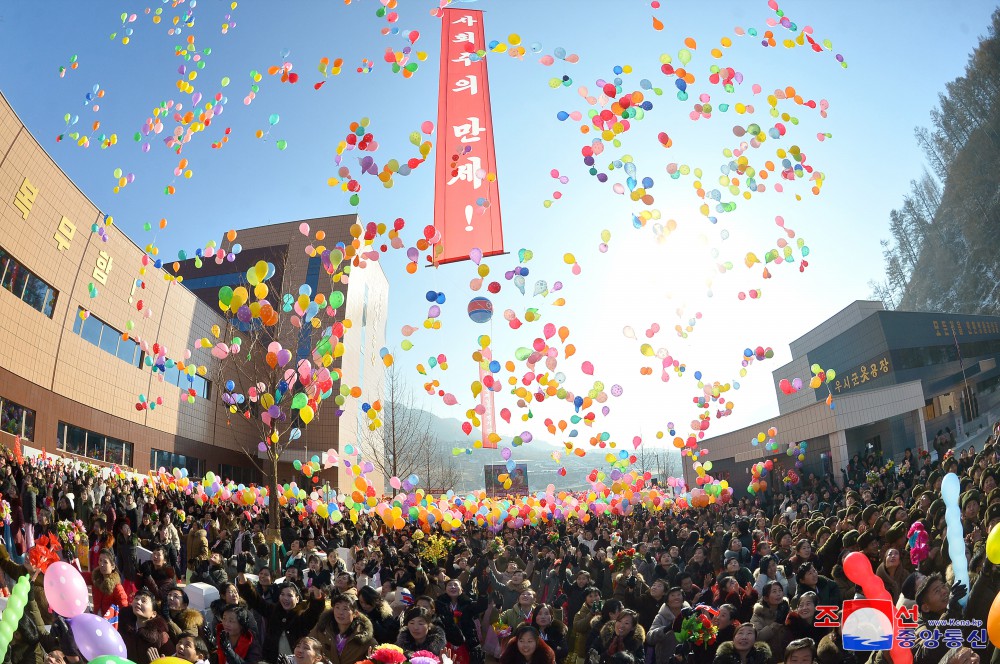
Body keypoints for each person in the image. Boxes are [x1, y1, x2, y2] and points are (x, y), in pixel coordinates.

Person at [237, 574, 326, 664]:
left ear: (297, 598)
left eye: (289, 595)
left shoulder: (302, 617)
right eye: (282, 594)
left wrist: (317, 592)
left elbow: (315, 611)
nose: (285, 598)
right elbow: (255, 600)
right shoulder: (273, 611)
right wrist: (242, 576)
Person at [120, 589, 173, 664]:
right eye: (136, 599)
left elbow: (173, 659)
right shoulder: (123, 627)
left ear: (153, 614)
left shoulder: (161, 636)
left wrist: (158, 662)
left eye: (144, 601)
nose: (138, 602)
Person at [750, 582, 788, 663]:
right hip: (769, 658)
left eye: (780, 590)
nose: (778, 594)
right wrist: (776, 623)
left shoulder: (787, 610)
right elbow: (758, 637)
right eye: (774, 591)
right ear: (766, 598)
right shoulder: (758, 615)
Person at [92, 548, 129, 617]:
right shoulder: (95, 578)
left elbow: (124, 608)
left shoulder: (117, 587)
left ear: (112, 566)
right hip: (96, 619)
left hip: (109, 624)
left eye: (105, 562)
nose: (101, 564)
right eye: (100, 560)